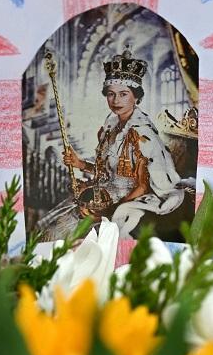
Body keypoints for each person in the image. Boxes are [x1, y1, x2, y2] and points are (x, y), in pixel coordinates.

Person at [37, 49, 192, 240]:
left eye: (123, 94)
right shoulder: (110, 128)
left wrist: (109, 210)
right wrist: (81, 164)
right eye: (111, 94)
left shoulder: (143, 135)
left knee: (70, 236)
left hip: (125, 199)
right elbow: (107, 172)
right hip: (102, 194)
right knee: (51, 229)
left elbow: (142, 186)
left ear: (136, 97)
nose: (116, 100)